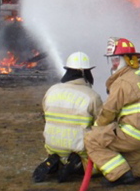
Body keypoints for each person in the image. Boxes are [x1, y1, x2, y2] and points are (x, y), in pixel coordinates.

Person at [83, 37, 140, 186]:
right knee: (128, 165)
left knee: (91, 139)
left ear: (127, 60)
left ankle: (120, 176)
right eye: (111, 60)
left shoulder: (123, 82)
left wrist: (97, 127)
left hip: (131, 134)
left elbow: (109, 111)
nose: (113, 64)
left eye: (116, 60)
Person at [32, 51, 103, 183]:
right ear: (84, 73)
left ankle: (54, 160)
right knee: (103, 164)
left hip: (53, 146)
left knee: (59, 150)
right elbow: (102, 126)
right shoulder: (92, 96)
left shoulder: (51, 90)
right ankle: (76, 165)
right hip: (79, 150)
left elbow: (45, 116)